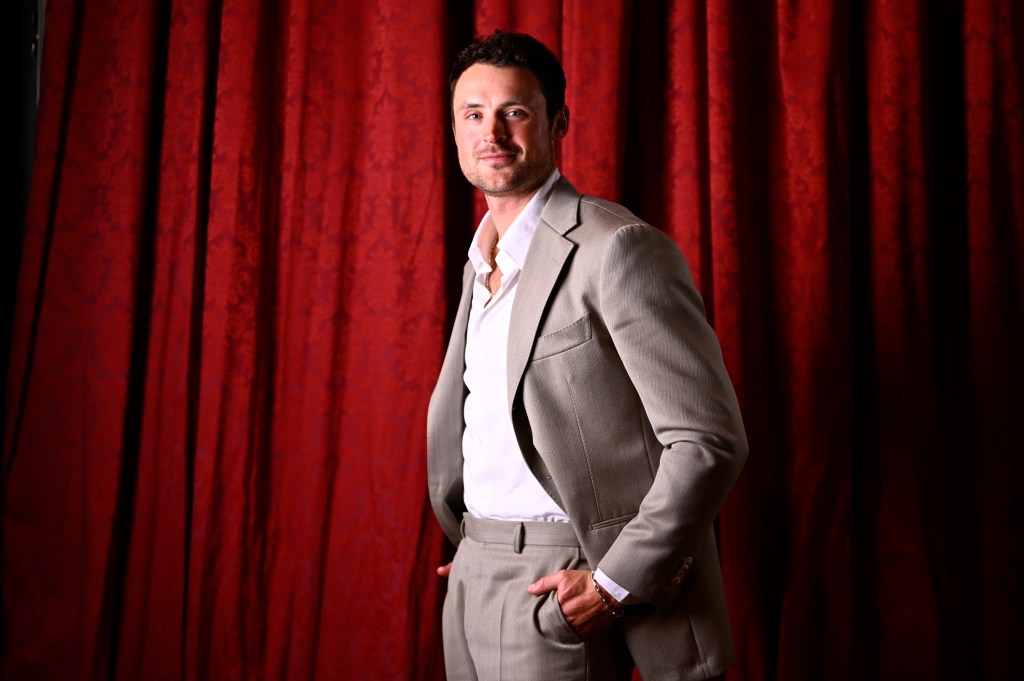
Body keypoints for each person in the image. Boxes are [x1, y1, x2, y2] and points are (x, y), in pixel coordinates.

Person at [427, 30, 748, 681]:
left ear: (557, 122)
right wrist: (478, 548)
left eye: (515, 111)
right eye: (473, 113)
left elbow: (708, 440)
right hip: (471, 569)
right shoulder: (479, 261)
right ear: (456, 129)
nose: (492, 130)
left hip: (562, 581)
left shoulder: (617, 247)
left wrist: (611, 584)